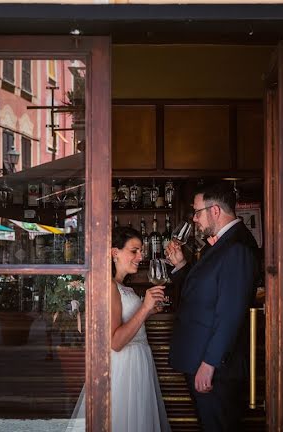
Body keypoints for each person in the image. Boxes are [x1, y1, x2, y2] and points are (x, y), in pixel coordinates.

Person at [167, 182, 260, 431]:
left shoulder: (237, 247)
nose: (195, 220)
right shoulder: (221, 243)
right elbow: (203, 293)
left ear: (215, 211)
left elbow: (230, 313)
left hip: (217, 369)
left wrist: (209, 364)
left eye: (197, 212)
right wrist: (181, 266)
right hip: (203, 361)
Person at [109, 226, 171, 432]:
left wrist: (149, 310)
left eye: (141, 251)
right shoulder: (109, 286)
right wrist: (144, 308)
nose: (140, 256)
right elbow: (115, 342)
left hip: (139, 360)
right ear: (114, 253)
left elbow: (133, 319)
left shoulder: (124, 286)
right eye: (134, 250)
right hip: (124, 366)